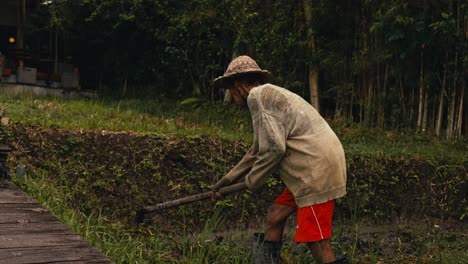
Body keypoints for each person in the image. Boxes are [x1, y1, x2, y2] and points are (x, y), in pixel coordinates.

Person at [212, 55, 348, 264]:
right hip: (307, 170)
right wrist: (224, 182)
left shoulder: (257, 96)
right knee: (275, 215)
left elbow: (275, 148)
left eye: (230, 92)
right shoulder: (267, 95)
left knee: (316, 240)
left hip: (315, 169)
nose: (232, 98)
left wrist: (253, 180)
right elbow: (256, 151)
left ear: (238, 86)